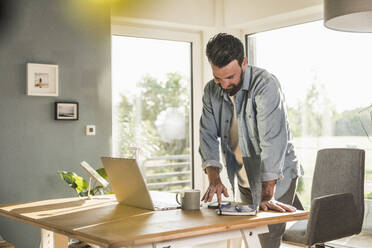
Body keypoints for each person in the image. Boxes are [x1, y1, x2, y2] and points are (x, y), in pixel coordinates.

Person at [199, 33, 303, 248]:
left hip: (275, 176)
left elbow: (273, 141)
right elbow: (207, 134)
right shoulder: (211, 91)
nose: (224, 84)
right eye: (218, 78)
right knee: (251, 236)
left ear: (244, 62)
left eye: (230, 77)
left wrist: (267, 195)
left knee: (266, 237)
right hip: (244, 175)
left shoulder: (265, 85)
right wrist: (214, 178)